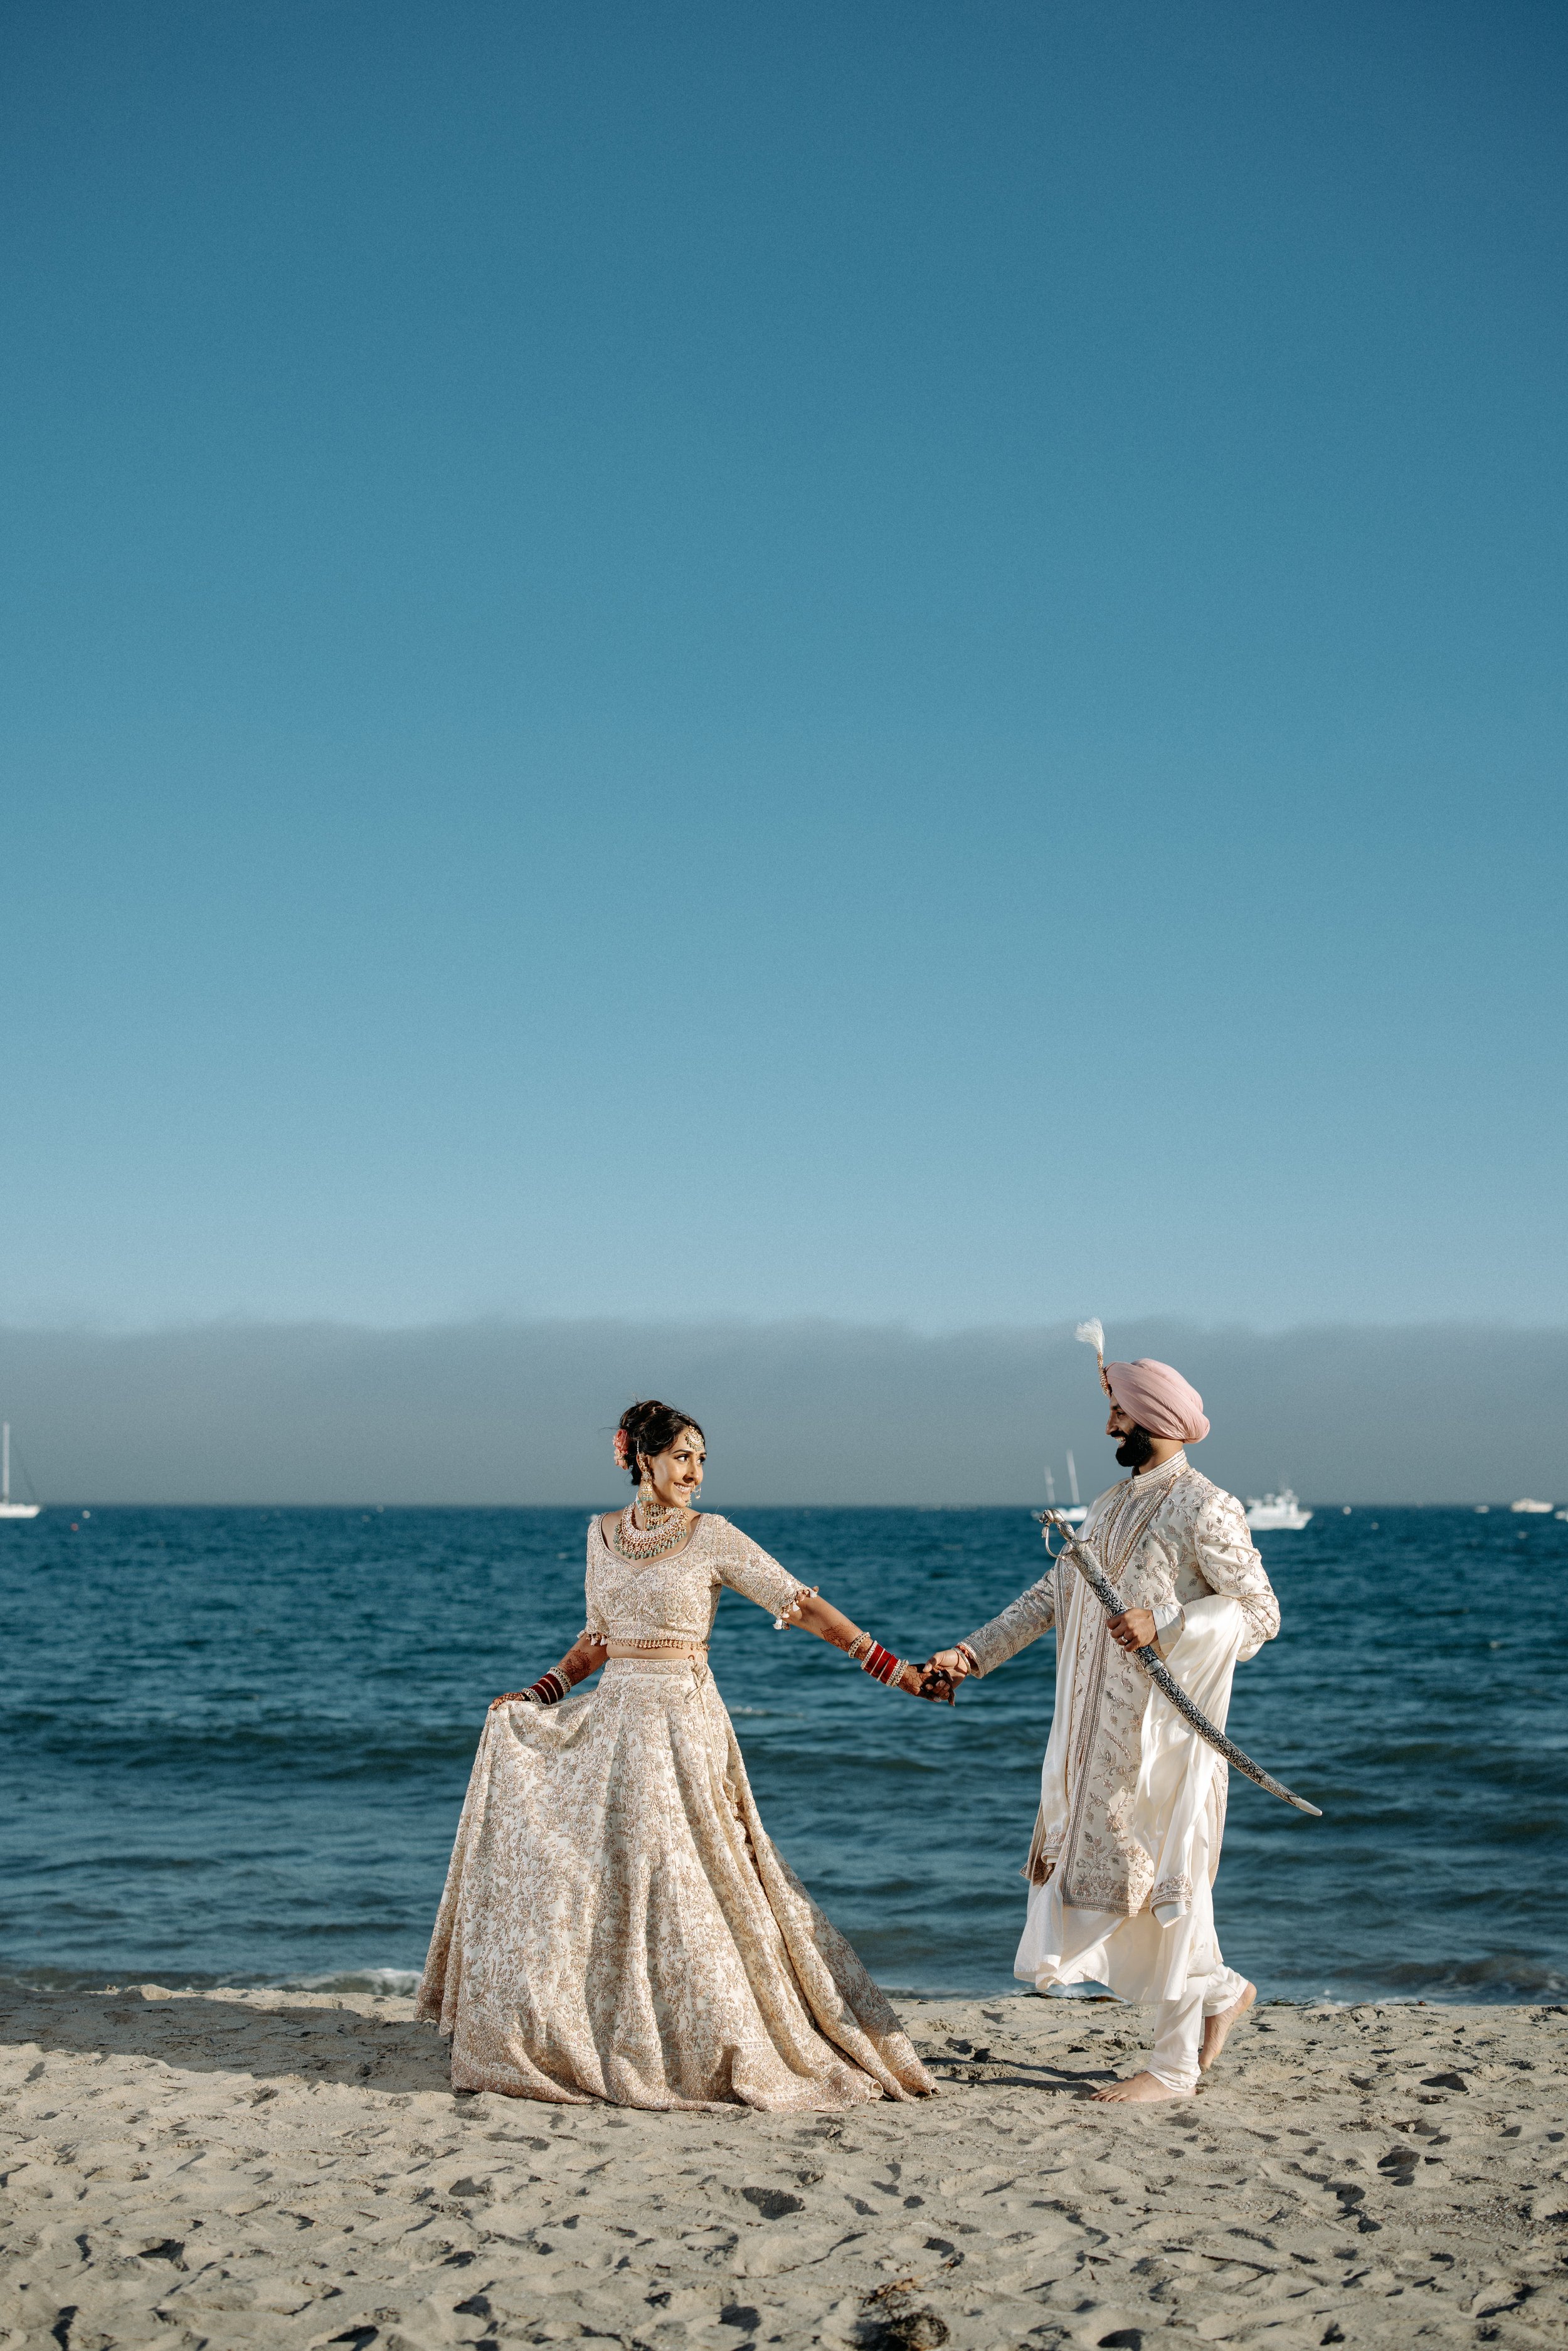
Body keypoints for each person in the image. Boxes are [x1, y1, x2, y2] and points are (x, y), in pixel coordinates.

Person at [417, 1398, 940, 2111]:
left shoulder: (712, 1535)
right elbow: (597, 1638)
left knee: (687, 1877)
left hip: (682, 1722)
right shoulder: (600, 1535)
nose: (694, 1471)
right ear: (641, 1456)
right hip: (615, 1721)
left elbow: (802, 1604)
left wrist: (892, 1667)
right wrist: (541, 1691)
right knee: (612, 1880)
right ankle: (613, 2031)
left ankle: (712, 2036)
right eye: (682, 1456)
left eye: (701, 1458)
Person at [923, 1347, 1279, 2102]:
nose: (1108, 1421)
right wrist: (968, 1655)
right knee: (1137, 1886)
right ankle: (1220, 1992)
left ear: (1151, 1416)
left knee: (1176, 1883)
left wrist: (1171, 1621)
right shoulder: (1112, 1505)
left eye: (1118, 1409)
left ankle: (1174, 2067)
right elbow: (1051, 1596)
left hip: (1164, 1741)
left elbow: (1259, 1613)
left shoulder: (1205, 1505)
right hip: (1090, 1740)